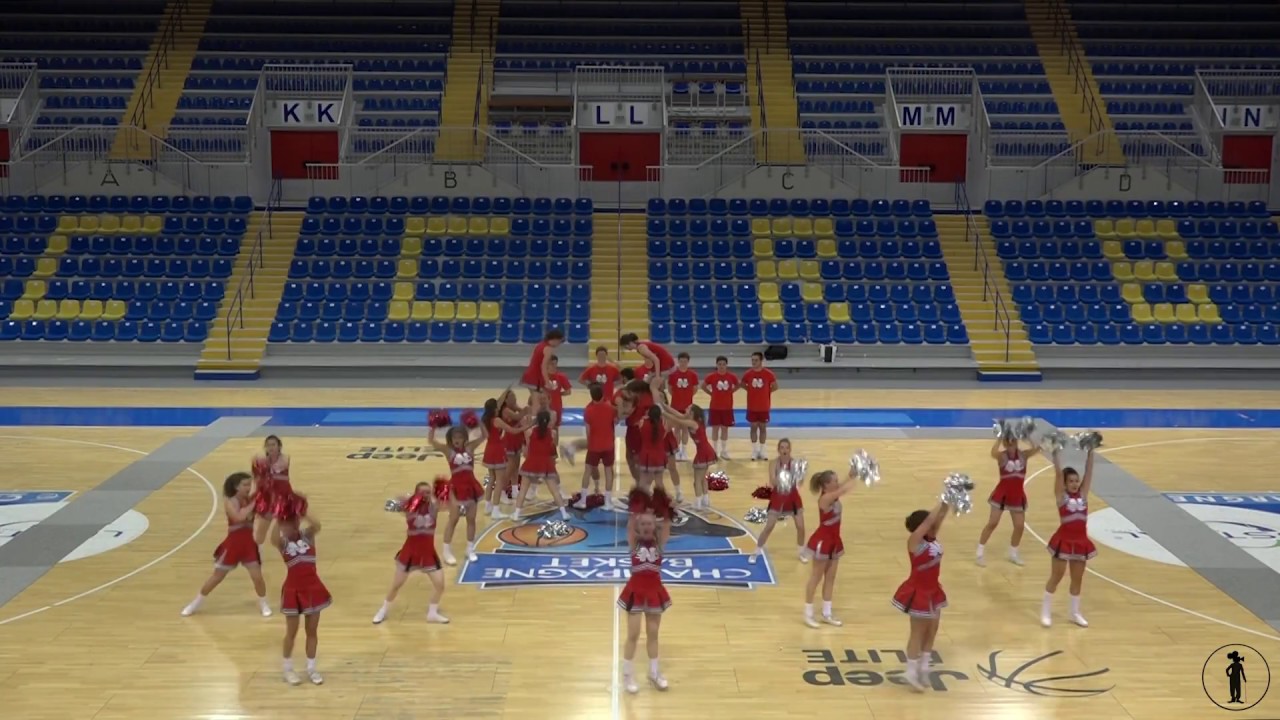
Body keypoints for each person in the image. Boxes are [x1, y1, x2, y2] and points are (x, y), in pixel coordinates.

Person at [181, 472, 273, 617]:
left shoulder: (251, 500)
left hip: (249, 545)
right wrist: (255, 502)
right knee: (217, 577)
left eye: (250, 484)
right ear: (236, 487)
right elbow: (238, 517)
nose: (249, 487)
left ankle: (264, 603)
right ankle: (195, 604)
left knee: (257, 577)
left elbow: (266, 512)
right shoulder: (230, 501)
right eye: (245, 484)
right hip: (233, 545)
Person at [893, 500, 950, 692]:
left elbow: (940, 516)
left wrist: (949, 497)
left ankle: (924, 667)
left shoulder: (932, 537)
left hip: (933, 591)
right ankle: (910, 671)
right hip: (918, 592)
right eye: (929, 522)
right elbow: (930, 520)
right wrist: (939, 503)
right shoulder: (914, 542)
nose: (934, 524)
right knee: (917, 632)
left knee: (932, 629)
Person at [373, 482, 450, 625]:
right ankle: (383, 610)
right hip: (410, 554)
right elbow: (396, 499)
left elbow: (448, 504)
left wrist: (443, 492)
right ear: (416, 493)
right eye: (423, 492)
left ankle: (432, 613)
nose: (426, 495)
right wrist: (410, 499)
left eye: (428, 492)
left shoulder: (433, 507)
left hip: (428, 554)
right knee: (396, 585)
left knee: (440, 585)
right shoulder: (409, 508)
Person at [617, 495, 672, 693]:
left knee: (653, 634)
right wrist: (637, 506)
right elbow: (630, 525)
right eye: (643, 524)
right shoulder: (634, 544)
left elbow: (667, 525)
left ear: (654, 525)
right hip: (636, 591)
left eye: (650, 523)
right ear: (639, 528)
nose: (647, 527)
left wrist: (665, 507)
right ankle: (627, 675)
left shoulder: (659, 544)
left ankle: (654, 672)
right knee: (633, 634)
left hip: (654, 591)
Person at [1041, 446, 1097, 628]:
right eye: (1071, 481)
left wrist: (1091, 452)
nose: (1075, 483)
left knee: (1077, 578)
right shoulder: (1061, 497)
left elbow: (1089, 472)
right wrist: (1056, 455)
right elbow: (1058, 475)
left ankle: (1074, 612)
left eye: (1076, 480)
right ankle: (1045, 611)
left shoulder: (1083, 494)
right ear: (1064, 484)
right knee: (1056, 576)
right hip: (1063, 541)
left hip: (1081, 542)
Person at [273, 498, 327, 686]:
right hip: (293, 590)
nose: (292, 526)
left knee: (312, 631)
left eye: (294, 522)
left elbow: (317, 525)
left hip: (313, 588)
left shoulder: (307, 536)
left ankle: (311, 668)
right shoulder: (282, 543)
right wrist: (277, 516)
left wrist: (302, 510)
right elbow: (272, 538)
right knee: (292, 631)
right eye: (287, 524)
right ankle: (288, 669)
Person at [428, 419, 489, 565]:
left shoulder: (470, 447)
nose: (457, 440)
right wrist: (434, 426)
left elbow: (484, 436)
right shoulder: (448, 450)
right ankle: (446, 551)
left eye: (460, 437)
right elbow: (432, 441)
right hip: (455, 488)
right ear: (450, 439)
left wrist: (480, 423)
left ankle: (470, 549)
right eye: (454, 437)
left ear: (464, 438)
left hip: (471, 487)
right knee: (453, 519)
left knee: (471, 519)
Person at [803, 469, 857, 628]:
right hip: (823, 541)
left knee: (830, 578)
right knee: (816, 577)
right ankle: (808, 614)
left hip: (834, 540)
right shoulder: (826, 498)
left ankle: (826, 613)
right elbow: (843, 489)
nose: (837, 482)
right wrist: (858, 476)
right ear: (826, 485)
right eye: (835, 481)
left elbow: (840, 487)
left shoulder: (833, 494)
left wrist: (850, 475)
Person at [977, 431, 1040, 567]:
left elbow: (1037, 448)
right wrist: (999, 438)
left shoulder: (1023, 455)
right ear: (1005, 444)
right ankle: (979, 553)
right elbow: (993, 452)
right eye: (1008, 442)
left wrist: (1028, 436)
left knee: (1019, 526)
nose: (1011, 444)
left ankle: (1013, 553)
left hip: (1017, 496)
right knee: (993, 523)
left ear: (1017, 442)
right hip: (1002, 495)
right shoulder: (1002, 456)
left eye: (1013, 441)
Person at [748, 439, 807, 564]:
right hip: (778, 497)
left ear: (790, 449)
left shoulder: (795, 463)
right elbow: (772, 482)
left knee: (801, 527)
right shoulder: (774, 463)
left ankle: (801, 552)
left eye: (787, 448)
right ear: (778, 450)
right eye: (782, 448)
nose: (784, 450)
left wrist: (801, 474)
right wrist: (783, 478)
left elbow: (799, 483)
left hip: (792, 497)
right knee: (769, 527)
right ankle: (756, 551)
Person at [514, 410, 571, 521]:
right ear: (548, 421)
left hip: (531, 463)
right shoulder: (553, 433)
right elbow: (551, 446)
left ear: (536, 420)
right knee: (555, 491)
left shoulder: (529, 431)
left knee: (523, 491)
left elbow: (528, 447)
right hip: (546, 464)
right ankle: (564, 514)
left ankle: (516, 515)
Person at [574, 383, 617, 509]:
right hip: (609, 445)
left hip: (594, 446)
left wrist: (589, 444)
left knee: (587, 471)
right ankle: (608, 501)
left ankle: (583, 500)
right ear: (602, 394)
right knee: (609, 471)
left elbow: (588, 432)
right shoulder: (610, 408)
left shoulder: (588, 411)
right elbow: (615, 421)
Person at [480, 393, 521, 518]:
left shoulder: (484, 420)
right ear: (494, 409)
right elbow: (513, 430)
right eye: (497, 407)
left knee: (492, 478)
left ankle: (488, 506)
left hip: (489, 450)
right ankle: (496, 510)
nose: (499, 408)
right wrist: (527, 426)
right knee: (499, 481)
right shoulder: (497, 420)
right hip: (498, 451)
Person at [251, 435, 292, 544]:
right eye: (268, 445)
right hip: (267, 500)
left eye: (273, 445)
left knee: (283, 534)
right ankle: (254, 552)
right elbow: (257, 480)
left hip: (283, 500)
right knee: (260, 536)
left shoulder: (285, 459)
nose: (271, 447)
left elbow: (277, 471)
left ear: (279, 446)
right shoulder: (259, 461)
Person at [741, 351, 778, 461]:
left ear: (761, 361)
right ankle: (754, 450)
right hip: (752, 406)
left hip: (764, 406)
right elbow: (742, 384)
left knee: (762, 428)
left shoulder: (768, 374)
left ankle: (762, 450)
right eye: (752, 360)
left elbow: (775, 386)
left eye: (756, 360)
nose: (754, 362)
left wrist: (766, 392)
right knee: (753, 427)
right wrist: (751, 390)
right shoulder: (748, 374)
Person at [701, 356, 739, 460]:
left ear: (726, 365)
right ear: (716, 365)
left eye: (723, 364)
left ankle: (724, 451)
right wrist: (711, 393)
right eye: (719, 364)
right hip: (715, 407)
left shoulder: (732, 376)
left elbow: (738, 385)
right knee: (715, 429)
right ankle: (714, 451)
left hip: (727, 407)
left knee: (725, 429)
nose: (721, 366)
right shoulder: (711, 376)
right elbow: (703, 386)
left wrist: (731, 392)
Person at [667, 353, 700, 461]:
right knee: (677, 428)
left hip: (687, 406)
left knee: (685, 429)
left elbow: (695, 388)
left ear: (688, 362)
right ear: (678, 361)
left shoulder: (693, 374)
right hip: (675, 406)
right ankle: (677, 451)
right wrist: (677, 396)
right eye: (681, 361)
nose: (683, 363)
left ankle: (684, 451)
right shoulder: (673, 375)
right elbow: (670, 388)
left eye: (685, 361)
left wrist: (687, 397)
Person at [686, 405, 717, 509]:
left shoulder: (692, 423)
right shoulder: (697, 421)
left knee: (697, 481)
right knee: (703, 478)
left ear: (692, 413)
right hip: (706, 450)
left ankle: (698, 503)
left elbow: (677, 419)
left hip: (703, 452)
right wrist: (664, 408)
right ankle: (705, 500)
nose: (685, 409)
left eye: (688, 408)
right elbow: (678, 417)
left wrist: (663, 412)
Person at [543, 355, 572, 429]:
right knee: (544, 428)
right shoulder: (542, 376)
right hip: (544, 407)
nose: (554, 366)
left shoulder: (561, 376)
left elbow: (568, 391)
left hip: (556, 407)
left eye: (555, 364)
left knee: (555, 428)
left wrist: (558, 394)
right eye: (551, 364)